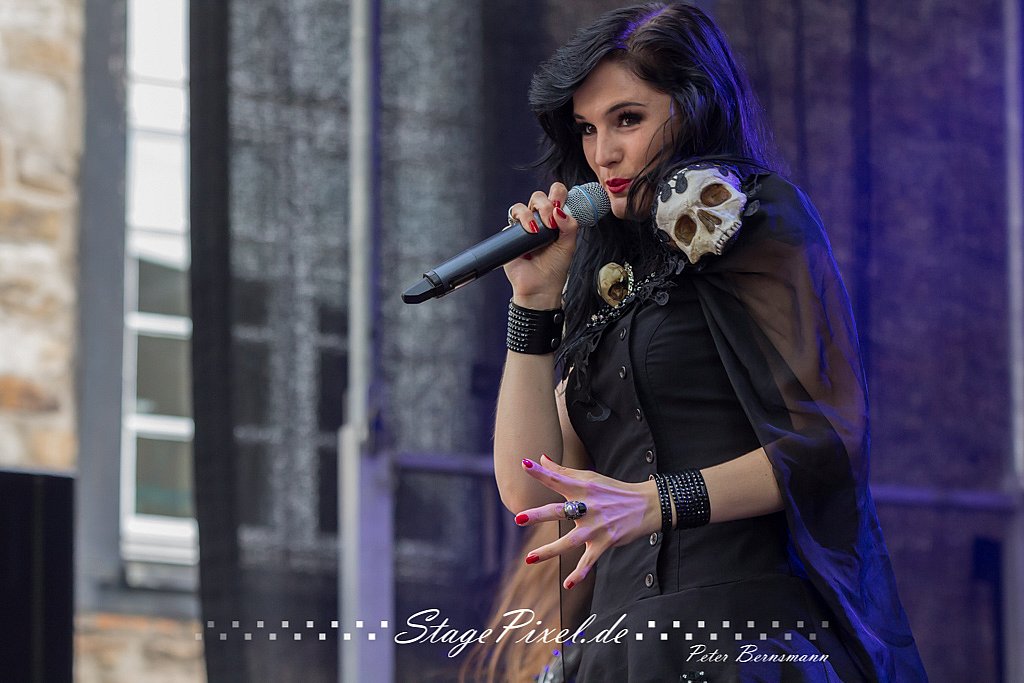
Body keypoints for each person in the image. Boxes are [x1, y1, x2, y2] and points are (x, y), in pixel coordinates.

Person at [491, 3, 928, 681]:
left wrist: (655, 501)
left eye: (627, 119)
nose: (602, 153)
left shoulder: (758, 214)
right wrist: (534, 301)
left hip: (744, 638)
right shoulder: (606, 274)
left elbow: (828, 441)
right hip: (617, 648)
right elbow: (532, 489)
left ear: (694, 108)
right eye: (587, 128)